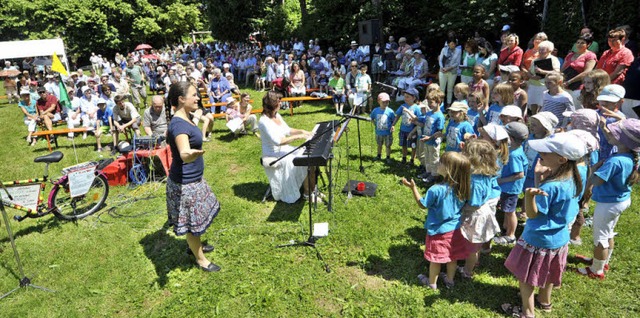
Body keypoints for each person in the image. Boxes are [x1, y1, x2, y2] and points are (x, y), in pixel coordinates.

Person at [502, 132, 586, 318]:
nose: (540, 153)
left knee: (526, 278)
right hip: (559, 239)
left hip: (538, 239)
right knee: (548, 273)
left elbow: (532, 214)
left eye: (546, 152)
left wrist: (529, 195)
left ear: (562, 159)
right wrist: (540, 178)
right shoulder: (574, 179)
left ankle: (527, 312)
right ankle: (545, 302)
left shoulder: (551, 186)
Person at [165, 81, 221, 272]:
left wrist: (200, 118)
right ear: (181, 99)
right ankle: (200, 259)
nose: (198, 98)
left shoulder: (186, 117)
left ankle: (195, 245)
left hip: (194, 180)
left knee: (200, 216)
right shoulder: (179, 126)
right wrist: (192, 154)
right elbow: (183, 153)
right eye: (194, 95)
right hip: (185, 184)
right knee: (191, 224)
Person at [576, 118, 640, 280]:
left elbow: (597, 181)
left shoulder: (615, 161)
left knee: (601, 237)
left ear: (623, 140)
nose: (609, 133)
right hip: (620, 200)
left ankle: (596, 270)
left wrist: (593, 169)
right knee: (609, 232)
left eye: (615, 133)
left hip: (608, 204)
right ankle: (602, 260)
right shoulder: (629, 157)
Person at [402, 151, 472, 290]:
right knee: (452, 257)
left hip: (438, 231)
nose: (438, 163)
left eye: (441, 162)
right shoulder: (463, 188)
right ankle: (450, 281)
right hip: (455, 230)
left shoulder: (435, 190)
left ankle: (432, 283)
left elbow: (422, 204)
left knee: (435, 259)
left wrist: (413, 188)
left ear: (448, 169)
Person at [258, 90, 317, 203]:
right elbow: (278, 141)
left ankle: (312, 189)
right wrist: (300, 136)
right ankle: (307, 193)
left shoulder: (277, 115)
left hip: (284, 149)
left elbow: (288, 130)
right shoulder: (263, 121)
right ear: (272, 104)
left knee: (309, 156)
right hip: (273, 154)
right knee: (303, 160)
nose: (281, 103)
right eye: (279, 101)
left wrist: (302, 131)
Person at [459, 139, 502, 278]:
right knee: (475, 246)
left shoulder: (475, 182)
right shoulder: (486, 174)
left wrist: (460, 201)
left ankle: (467, 271)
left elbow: (474, 202)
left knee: (472, 247)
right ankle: (471, 263)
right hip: (482, 213)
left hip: (474, 215)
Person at [493, 122, 529, 245]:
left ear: (511, 138)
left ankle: (510, 235)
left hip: (510, 189)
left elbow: (520, 174)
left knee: (510, 212)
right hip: (507, 188)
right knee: (506, 210)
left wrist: (501, 180)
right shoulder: (513, 149)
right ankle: (505, 228)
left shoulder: (514, 155)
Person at [562, 35, 598, 108]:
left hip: (578, 88)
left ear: (588, 44)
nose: (579, 44)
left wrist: (569, 81)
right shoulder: (570, 55)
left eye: (582, 43)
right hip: (565, 86)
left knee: (577, 108)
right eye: (578, 42)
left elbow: (587, 72)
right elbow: (562, 70)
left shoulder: (590, 55)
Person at [418, 90, 446, 183]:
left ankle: (434, 175)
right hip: (426, 140)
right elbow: (423, 123)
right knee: (427, 156)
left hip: (433, 141)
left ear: (438, 102)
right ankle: (428, 171)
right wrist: (415, 120)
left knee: (434, 158)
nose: (429, 104)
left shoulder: (440, 116)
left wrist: (429, 138)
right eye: (428, 102)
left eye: (431, 102)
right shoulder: (429, 113)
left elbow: (439, 132)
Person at [527, 40, 561, 115]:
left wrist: (542, 71)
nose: (540, 51)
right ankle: (533, 117)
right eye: (539, 49)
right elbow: (528, 72)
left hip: (545, 87)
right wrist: (532, 77)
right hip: (533, 85)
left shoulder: (554, 60)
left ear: (549, 50)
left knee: (543, 105)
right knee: (533, 103)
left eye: (542, 49)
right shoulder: (535, 60)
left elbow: (556, 72)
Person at [391, 88, 421, 165]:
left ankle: (412, 160)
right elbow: (397, 116)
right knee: (403, 145)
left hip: (412, 131)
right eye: (405, 96)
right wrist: (393, 125)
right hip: (403, 130)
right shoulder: (402, 106)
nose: (405, 98)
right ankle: (404, 159)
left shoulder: (417, 108)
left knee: (413, 146)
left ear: (414, 98)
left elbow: (419, 119)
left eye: (407, 97)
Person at [370, 92, 395, 163]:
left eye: (387, 102)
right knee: (379, 144)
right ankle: (378, 155)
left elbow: (394, 120)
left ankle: (388, 157)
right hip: (378, 132)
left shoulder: (390, 111)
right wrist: (375, 124)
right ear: (378, 101)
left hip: (388, 132)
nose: (385, 104)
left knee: (388, 145)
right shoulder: (375, 110)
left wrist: (393, 126)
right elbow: (371, 118)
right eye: (383, 102)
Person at [438, 38, 462, 105]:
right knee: (442, 88)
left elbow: (457, 62)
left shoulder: (458, 51)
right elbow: (440, 60)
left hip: (452, 72)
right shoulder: (444, 49)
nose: (453, 45)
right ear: (448, 44)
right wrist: (442, 68)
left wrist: (449, 68)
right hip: (443, 71)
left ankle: (449, 104)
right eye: (451, 44)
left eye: (454, 44)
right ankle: (441, 104)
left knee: (450, 89)